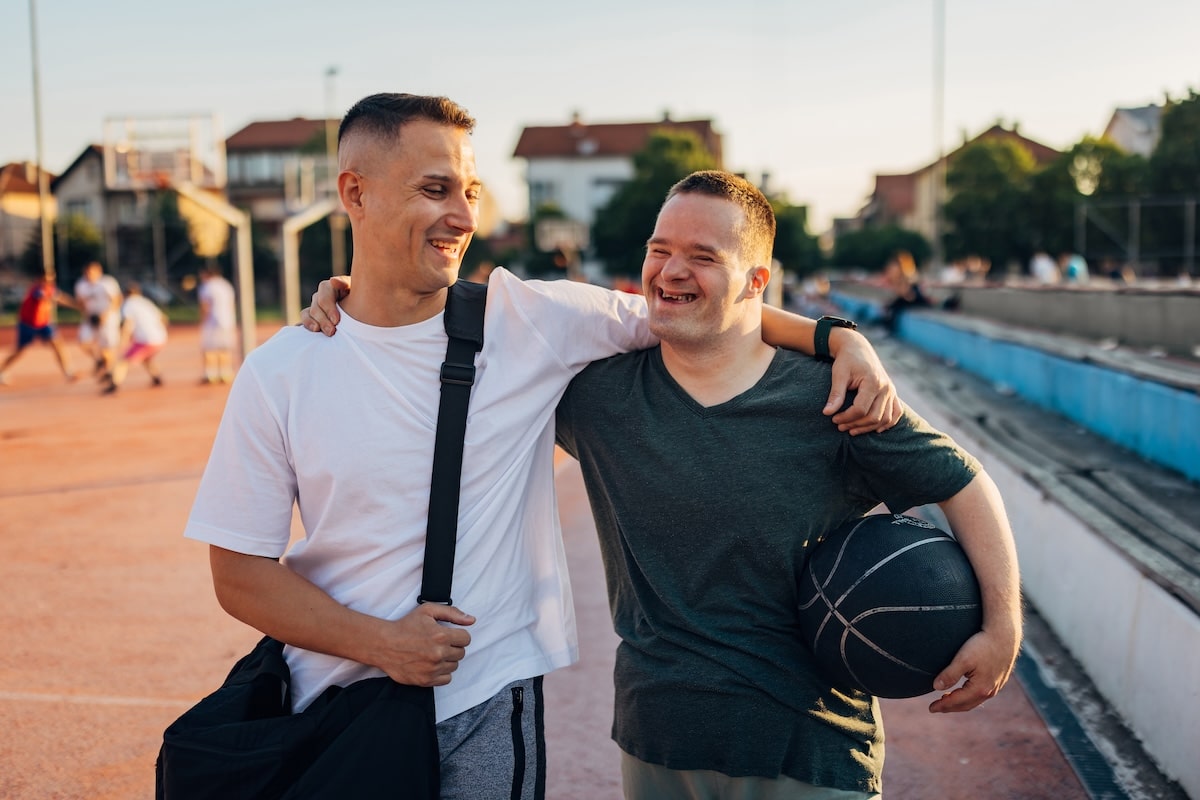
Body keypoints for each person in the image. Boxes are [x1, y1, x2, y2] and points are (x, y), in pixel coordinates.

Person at [187, 92, 899, 800]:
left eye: (470, 190)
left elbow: (703, 308)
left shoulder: (532, 320)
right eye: (434, 190)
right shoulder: (282, 369)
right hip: (329, 706)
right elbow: (239, 572)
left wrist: (838, 337)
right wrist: (380, 643)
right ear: (355, 193)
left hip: (483, 702)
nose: (464, 217)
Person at [313, 171, 1023, 799]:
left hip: (810, 747)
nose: (671, 270)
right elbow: (452, 330)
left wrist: (1003, 627)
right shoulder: (597, 396)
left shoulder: (834, 398)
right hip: (658, 740)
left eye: (702, 257)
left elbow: (963, 483)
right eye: (660, 249)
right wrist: (356, 293)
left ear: (754, 280)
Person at [0, 272, 78, 385]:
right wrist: (54, 297)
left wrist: (75, 305)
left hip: (43, 324)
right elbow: (46, 296)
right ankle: (2, 370)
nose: (49, 282)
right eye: (46, 279)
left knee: (57, 344)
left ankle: (68, 372)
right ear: (39, 279)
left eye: (51, 279)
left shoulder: (50, 289)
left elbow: (61, 297)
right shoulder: (36, 289)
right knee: (19, 351)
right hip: (28, 324)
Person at [101, 282, 168, 394]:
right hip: (160, 338)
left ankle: (114, 384)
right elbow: (164, 319)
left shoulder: (128, 304)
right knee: (146, 358)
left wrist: (123, 341)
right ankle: (157, 378)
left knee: (123, 361)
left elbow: (128, 324)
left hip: (147, 340)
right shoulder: (145, 302)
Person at [74, 260, 123, 377]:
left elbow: (117, 299)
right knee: (83, 342)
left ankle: (109, 372)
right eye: (86, 272)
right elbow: (81, 303)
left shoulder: (107, 283)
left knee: (107, 348)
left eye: (91, 272)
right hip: (91, 318)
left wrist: (105, 315)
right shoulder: (81, 285)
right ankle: (99, 360)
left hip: (108, 319)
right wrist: (86, 315)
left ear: (98, 272)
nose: (88, 275)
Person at [196, 264, 237, 384]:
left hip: (212, 321)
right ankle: (226, 372)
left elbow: (205, 306)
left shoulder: (208, 286)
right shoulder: (226, 285)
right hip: (228, 321)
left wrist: (202, 320)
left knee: (209, 348)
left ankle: (210, 374)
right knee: (225, 348)